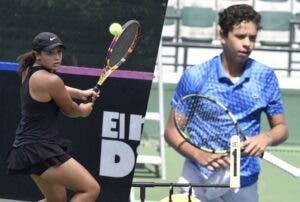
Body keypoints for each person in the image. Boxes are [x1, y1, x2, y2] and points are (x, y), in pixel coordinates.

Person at [164, 4, 288, 202]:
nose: (248, 43)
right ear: (222, 35)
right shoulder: (196, 76)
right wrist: (198, 155)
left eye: (253, 37)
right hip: (197, 176)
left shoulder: (265, 76)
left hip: (244, 180)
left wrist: (266, 138)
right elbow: (171, 131)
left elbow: (281, 128)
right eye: (240, 36)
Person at [6, 32, 100, 202]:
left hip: (25, 147)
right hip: (38, 148)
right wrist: (83, 110)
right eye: (50, 53)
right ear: (37, 55)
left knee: (56, 200)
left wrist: (81, 93)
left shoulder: (28, 70)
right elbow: (71, 110)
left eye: (59, 52)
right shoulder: (51, 80)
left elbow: (57, 89)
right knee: (90, 189)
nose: (57, 57)